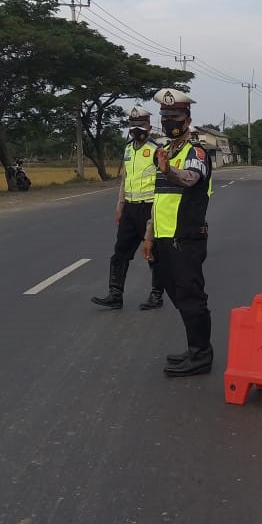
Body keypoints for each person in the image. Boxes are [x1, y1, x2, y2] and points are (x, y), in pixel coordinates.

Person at [142, 89, 214, 377]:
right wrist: (149, 236)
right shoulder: (165, 152)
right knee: (177, 295)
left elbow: (190, 179)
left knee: (191, 297)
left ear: (187, 118)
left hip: (185, 238)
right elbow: (158, 199)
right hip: (163, 238)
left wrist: (169, 171)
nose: (169, 121)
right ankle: (194, 348)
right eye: (165, 116)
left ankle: (201, 355)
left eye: (175, 116)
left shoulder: (196, 152)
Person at [91, 110, 166, 310]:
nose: (136, 129)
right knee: (120, 252)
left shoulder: (156, 150)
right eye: (133, 125)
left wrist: (154, 214)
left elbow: (162, 182)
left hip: (149, 207)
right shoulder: (128, 149)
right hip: (130, 209)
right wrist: (120, 206)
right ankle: (115, 295)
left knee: (153, 254)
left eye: (141, 124)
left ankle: (156, 295)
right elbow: (125, 180)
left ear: (149, 127)